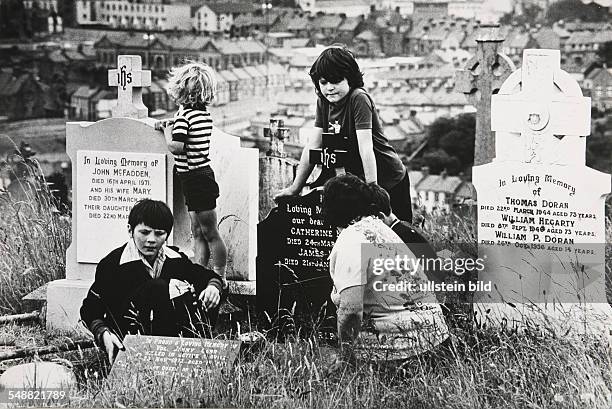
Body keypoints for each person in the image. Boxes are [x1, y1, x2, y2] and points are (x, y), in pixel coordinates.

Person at [274, 45, 413, 222]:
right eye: (323, 83)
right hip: (360, 182)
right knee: (370, 241)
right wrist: (295, 188)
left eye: (336, 81)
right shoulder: (323, 102)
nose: (329, 88)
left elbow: (366, 147)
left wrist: (373, 189)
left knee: (400, 240)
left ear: (350, 79)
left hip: (388, 179)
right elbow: (313, 146)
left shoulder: (358, 98)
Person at [322, 175, 448, 362]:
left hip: (400, 350)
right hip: (436, 340)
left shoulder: (350, 239)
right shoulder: (382, 229)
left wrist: (346, 358)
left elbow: (351, 311)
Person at [80, 199, 225, 362]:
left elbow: (206, 276)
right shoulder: (113, 264)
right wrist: (103, 332)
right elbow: (90, 309)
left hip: (170, 339)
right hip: (130, 338)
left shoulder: (175, 259)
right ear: (130, 230)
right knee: (158, 287)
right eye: (144, 232)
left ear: (167, 235)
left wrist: (213, 287)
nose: (151, 240)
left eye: (159, 233)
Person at [157, 61, 228, 286]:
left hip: (196, 179)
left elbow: (176, 146)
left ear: (181, 91)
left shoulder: (184, 118)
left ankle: (219, 276)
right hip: (198, 178)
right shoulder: (202, 115)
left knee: (208, 232)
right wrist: (174, 124)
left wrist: (167, 131)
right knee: (198, 230)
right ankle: (199, 274)